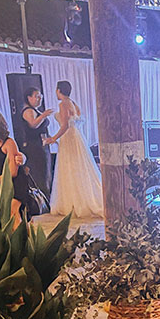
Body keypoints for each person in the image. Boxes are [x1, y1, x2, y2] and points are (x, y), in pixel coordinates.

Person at [45, 81, 104, 218]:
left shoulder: (63, 104)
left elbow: (65, 125)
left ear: (59, 90)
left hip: (68, 137)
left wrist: (53, 138)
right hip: (76, 136)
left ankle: (73, 203)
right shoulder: (73, 103)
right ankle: (80, 199)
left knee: (70, 167)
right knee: (78, 167)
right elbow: (76, 119)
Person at [19, 87, 54, 198]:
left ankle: (47, 197)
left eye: (40, 97)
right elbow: (33, 125)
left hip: (41, 144)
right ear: (29, 98)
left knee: (45, 173)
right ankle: (42, 198)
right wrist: (44, 115)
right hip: (34, 146)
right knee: (40, 173)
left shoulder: (35, 110)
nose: (39, 99)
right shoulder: (28, 110)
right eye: (36, 96)